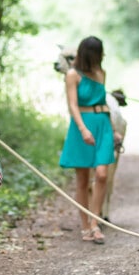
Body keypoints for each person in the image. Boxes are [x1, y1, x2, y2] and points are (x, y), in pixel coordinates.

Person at [58, 36, 115, 244]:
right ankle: (85, 226)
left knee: (101, 174)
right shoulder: (73, 75)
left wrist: (114, 129)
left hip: (103, 125)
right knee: (82, 179)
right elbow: (72, 105)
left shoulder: (101, 73)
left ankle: (95, 222)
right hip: (82, 125)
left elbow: (104, 102)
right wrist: (83, 129)